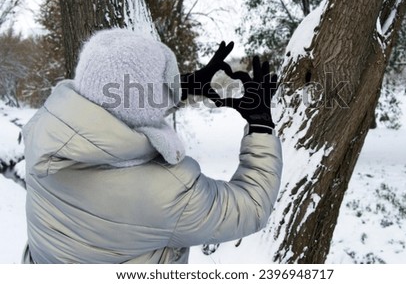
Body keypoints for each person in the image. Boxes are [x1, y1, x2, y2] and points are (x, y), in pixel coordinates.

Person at [22, 28, 282, 264]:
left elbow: (117, 112)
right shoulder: (167, 192)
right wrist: (260, 126)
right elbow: (252, 206)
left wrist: (181, 87)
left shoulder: (43, 137)